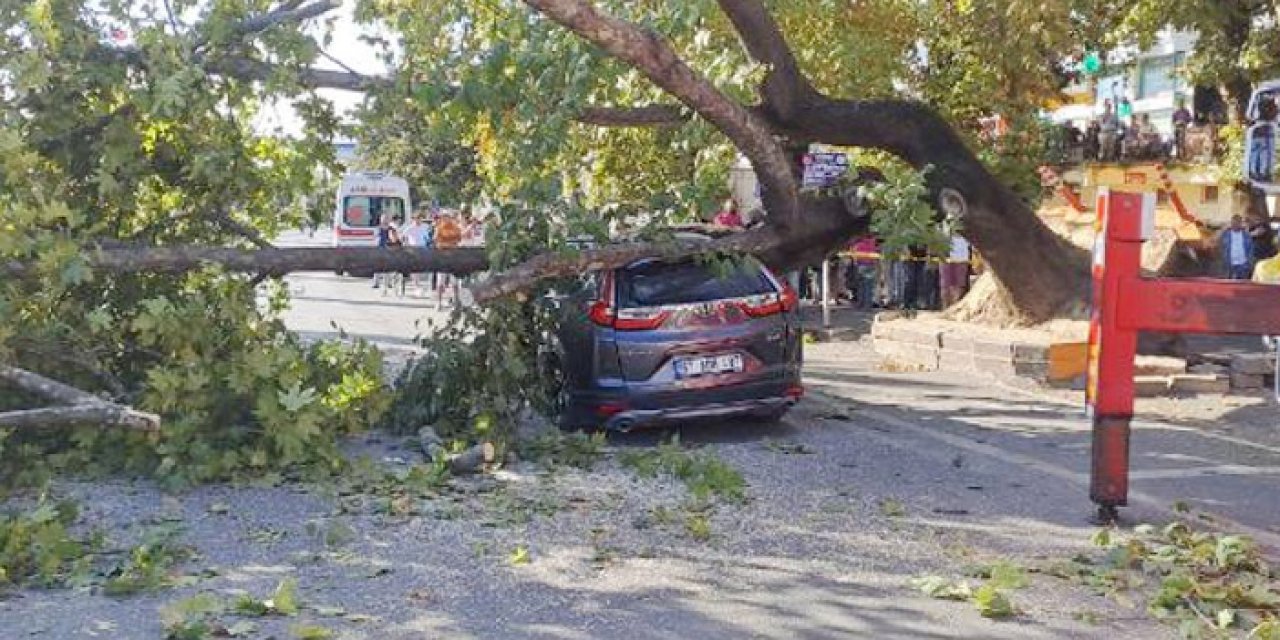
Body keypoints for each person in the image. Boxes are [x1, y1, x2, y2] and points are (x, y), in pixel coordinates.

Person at [432, 211, 463, 307]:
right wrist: (447, 244)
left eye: (447, 217)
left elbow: (458, 240)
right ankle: (439, 302)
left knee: (455, 281)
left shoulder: (455, 228)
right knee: (440, 281)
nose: (445, 219)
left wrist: (448, 243)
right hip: (442, 257)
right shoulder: (439, 228)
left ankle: (456, 301)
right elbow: (436, 240)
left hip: (454, 256)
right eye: (444, 217)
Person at [847, 235, 879, 310]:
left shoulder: (858, 245)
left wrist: (855, 265)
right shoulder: (872, 243)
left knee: (861, 286)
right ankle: (868, 305)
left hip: (861, 265)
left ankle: (860, 303)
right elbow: (875, 255)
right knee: (869, 286)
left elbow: (854, 256)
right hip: (870, 265)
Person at [1219, 215, 1256, 280]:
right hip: (1229, 264)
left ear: (1240, 223)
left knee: (1243, 284)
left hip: (1243, 264)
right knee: (1229, 284)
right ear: (1231, 223)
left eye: (1237, 223)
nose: (1235, 225)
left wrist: (1249, 262)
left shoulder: (1246, 235)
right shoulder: (1225, 234)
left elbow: (1251, 249)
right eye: (1233, 223)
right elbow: (1221, 247)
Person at [940, 235, 971, 308]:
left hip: (962, 259)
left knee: (959, 285)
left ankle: (955, 307)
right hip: (946, 258)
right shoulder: (943, 226)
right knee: (945, 286)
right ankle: (946, 308)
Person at [372, 213, 402, 289]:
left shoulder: (391, 229)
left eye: (386, 219)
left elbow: (395, 238)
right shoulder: (377, 228)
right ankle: (376, 283)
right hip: (379, 248)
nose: (385, 220)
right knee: (378, 266)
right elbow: (374, 238)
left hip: (389, 248)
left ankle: (388, 283)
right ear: (381, 220)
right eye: (383, 219)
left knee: (388, 267)